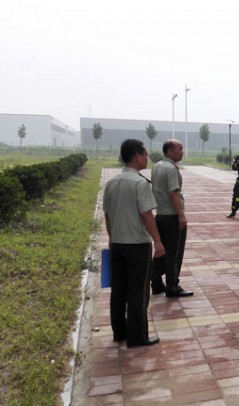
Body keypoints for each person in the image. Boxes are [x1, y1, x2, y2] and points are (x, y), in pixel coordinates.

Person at [103, 139, 163, 348]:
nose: (147, 158)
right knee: (138, 291)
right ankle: (138, 337)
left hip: (117, 244)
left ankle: (119, 332)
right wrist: (157, 241)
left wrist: (111, 238)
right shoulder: (139, 183)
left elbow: (108, 215)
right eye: (145, 154)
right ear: (137, 156)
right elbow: (146, 214)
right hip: (137, 244)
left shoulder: (111, 183)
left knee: (118, 290)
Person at [150, 139, 194, 298]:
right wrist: (181, 215)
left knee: (161, 251)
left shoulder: (157, 166)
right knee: (173, 253)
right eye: (180, 148)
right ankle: (172, 286)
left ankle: (156, 283)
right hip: (172, 216)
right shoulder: (171, 169)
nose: (182, 151)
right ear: (169, 151)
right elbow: (173, 193)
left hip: (160, 215)